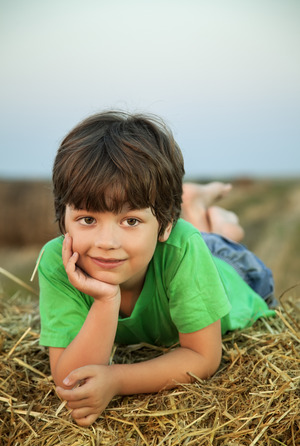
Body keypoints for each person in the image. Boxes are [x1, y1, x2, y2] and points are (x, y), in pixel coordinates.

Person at [38, 111, 276, 427]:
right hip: (171, 244)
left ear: (163, 225)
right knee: (198, 236)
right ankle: (194, 204)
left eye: (131, 220)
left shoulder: (181, 246)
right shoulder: (57, 262)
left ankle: (208, 214)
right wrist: (106, 301)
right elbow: (71, 382)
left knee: (217, 240)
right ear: (63, 218)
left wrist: (117, 379)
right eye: (88, 219)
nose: (106, 242)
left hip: (235, 272)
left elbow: (203, 357)